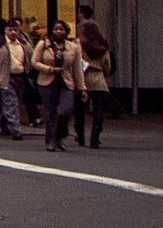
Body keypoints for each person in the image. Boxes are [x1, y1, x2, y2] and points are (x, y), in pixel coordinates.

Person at [32, 20, 83, 152]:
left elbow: (77, 69)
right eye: (56, 29)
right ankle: (50, 140)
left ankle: (60, 134)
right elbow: (35, 62)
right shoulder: (43, 44)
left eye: (61, 29)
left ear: (66, 31)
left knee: (66, 110)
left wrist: (82, 87)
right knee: (50, 112)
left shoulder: (73, 47)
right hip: (47, 81)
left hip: (66, 82)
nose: (59, 32)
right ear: (52, 31)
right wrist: (50, 69)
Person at [0, 20, 32, 140]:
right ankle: (15, 129)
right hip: (5, 77)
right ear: (5, 30)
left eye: (15, 30)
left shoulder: (23, 43)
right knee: (11, 102)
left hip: (20, 76)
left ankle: (3, 119)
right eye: (10, 30)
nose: (13, 32)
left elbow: (30, 58)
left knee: (15, 101)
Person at [76, 18, 113, 149]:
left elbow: (76, 61)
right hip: (98, 79)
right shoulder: (102, 45)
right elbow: (107, 65)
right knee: (98, 110)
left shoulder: (78, 44)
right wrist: (103, 74)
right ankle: (95, 138)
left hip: (83, 79)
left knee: (80, 109)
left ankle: (80, 136)